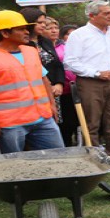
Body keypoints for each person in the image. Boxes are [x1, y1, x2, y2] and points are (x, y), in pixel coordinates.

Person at [0, 10, 64, 154]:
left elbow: (44, 79)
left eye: (26, 28)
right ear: (5, 33)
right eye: (21, 29)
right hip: (10, 124)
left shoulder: (31, 51)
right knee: (14, 163)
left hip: (42, 118)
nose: (27, 32)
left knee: (58, 157)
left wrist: (52, 105)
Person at [64, 1, 110, 165]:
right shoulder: (79, 35)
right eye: (106, 13)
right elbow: (70, 62)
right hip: (90, 83)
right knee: (91, 122)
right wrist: (96, 73)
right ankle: (93, 158)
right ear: (92, 16)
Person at [19, 8, 68, 144]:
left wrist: (59, 83)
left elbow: (57, 64)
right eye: (39, 23)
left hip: (53, 91)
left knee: (54, 125)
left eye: (44, 23)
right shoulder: (21, 44)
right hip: (33, 93)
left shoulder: (45, 41)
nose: (43, 26)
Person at [46, 18, 80, 147]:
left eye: (56, 28)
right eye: (50, 28)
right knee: (59, 120)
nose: (54, 31)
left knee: (72, 120)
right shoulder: (41, 48)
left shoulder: (64, 46)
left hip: (71, 88)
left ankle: (74, 143)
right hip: (53, 89)